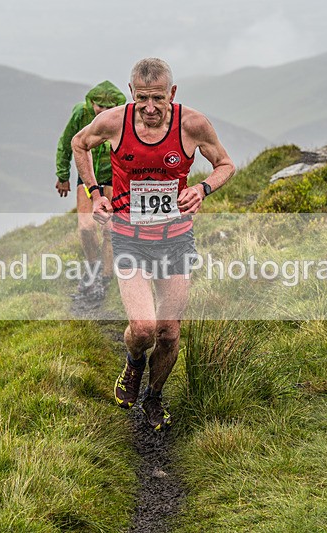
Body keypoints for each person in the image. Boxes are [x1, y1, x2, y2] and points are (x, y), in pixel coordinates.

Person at [71, 58, 235, 429]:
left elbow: (225, 163)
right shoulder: (115, 122)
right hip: (129, 238)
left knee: (169, 332)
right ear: (131, 94)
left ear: (172, 94)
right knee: (143, 329)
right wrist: (96, 193)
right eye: (142, 98)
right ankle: (133, 363)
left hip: (175, 241)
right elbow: (79, 143)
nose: (149, 108)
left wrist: (202, 188)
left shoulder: (192, 125)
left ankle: (154, 396)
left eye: (158, 99)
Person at [56, 80, 127, 301]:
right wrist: (62, 175)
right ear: (91, 103)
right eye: (99, 106)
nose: (104, 112)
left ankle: (105, 277)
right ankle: (93, 265)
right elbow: (66, 141)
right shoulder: (81, 113)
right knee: (86, 227)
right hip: (86, 175)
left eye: (109, 108)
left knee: (110, 229)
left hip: (114, 176)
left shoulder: (125, 117)